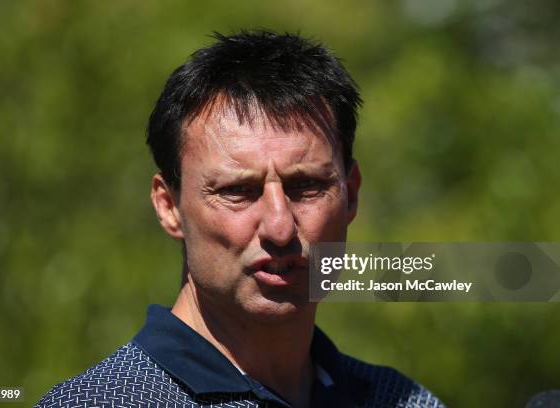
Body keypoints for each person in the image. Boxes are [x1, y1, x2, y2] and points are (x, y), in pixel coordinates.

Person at [36, 30, 444, 408]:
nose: (280, 227)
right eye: (238, 191)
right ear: (169, 206)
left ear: (351, 194)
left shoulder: (401, 401)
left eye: (305, 186)